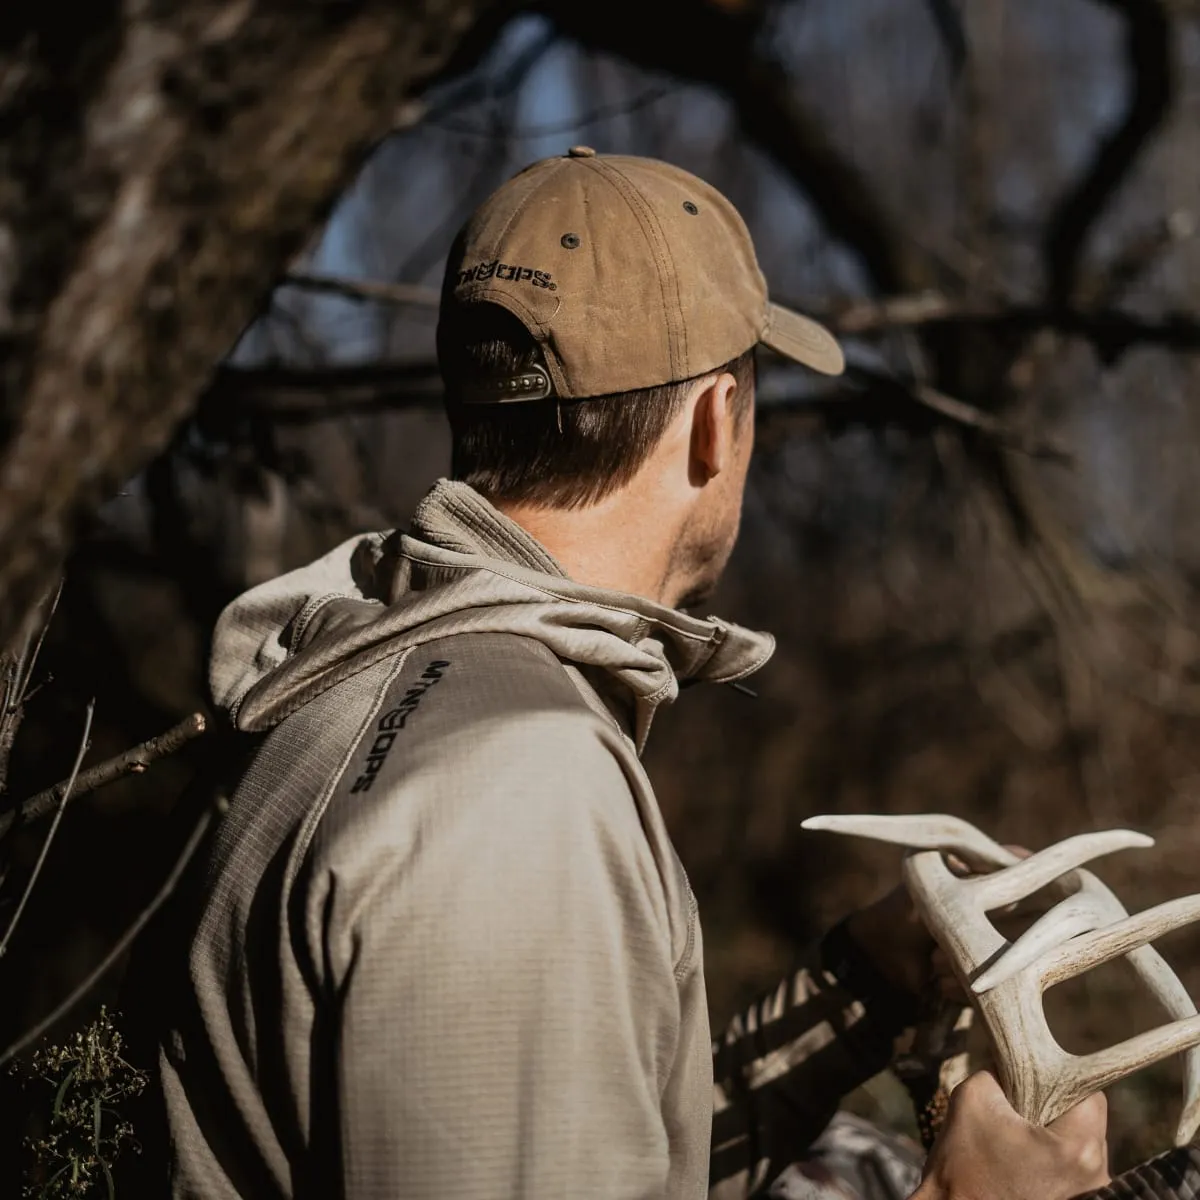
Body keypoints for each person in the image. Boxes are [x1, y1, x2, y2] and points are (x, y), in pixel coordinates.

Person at [155, 148, 1110, 1199]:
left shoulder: (379, 676)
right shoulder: (515, 796)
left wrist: (863, 987)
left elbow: (575, 1152)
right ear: (715, 422)